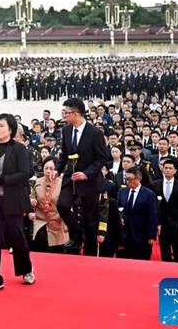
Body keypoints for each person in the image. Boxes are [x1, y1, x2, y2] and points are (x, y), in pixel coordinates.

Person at [0, 113, 35, 292]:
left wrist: (0, 179)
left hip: (12, 200)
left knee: (16, 236)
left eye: (1, 126)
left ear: (10, 129)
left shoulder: (19, 149)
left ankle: (26, 269)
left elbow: (24, 174)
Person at [55, 97, 108, 256]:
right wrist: (57, 170)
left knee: (90, 222)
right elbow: (64, 154)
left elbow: (101, 158)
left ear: (76, 114)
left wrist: (86, 173)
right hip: (70, 178)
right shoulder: (66, 130)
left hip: (89, 181)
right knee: (62, 205)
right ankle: (77, 233)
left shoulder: (95, 132)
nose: (64, 116)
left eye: (67, 113)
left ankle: (90, 256)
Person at [29, 158, 68, 252]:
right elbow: (32, 196)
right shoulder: (38, 182)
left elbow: (66, 204)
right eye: (46, 168)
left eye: (51, 168)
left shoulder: (62, 184)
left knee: (57, 252)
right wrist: (31, 201)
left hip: (57, 222)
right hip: (40, 220)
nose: (48, 171)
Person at [118, 167, 158, 260]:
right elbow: (118, 208)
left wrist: (151, 235)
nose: (128, 182)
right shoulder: (122, 192)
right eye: (126, 179)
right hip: (125, 234)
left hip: (141, 235)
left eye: (130, 179)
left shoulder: (149, 194)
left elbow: (152, 215)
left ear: (138, 178)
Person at [155, 158, 178, 262]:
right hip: (162, 221)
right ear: (162, 169)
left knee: (177, 245)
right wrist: (157, 222)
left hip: (177, 220)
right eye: (166, 168)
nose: (168, 170)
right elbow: (153, 205)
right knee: (164, 245)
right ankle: (166, 263)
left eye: (170, 168)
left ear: (175, 170)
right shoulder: (156, 184)